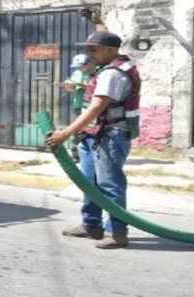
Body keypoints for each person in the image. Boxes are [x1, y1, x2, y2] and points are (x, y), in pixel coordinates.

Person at [45, 30, 141, 249]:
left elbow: (98, 106)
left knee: (109, 183)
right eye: (87, 48)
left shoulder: (112, 73)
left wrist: (65, 134)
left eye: (93, 49)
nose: (88, 53)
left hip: (110, 134)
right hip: (93, 133)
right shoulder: (107, 66)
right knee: (89, 181)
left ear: (110, 51)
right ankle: (91, 225)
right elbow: (107, 36)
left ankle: (117, 231)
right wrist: (97, 22)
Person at [62, 54, 96, 162]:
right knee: (76, 130)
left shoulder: (96, 73)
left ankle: (92, 154)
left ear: (89, 64)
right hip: (78, 105)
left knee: (90, 130)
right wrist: (69, 85)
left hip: (91, 106)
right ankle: (75, 155)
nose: (79, 68)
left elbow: (96, 88)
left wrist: (83, 85)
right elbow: (72, 89)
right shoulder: (77, 73)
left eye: (81, 66)